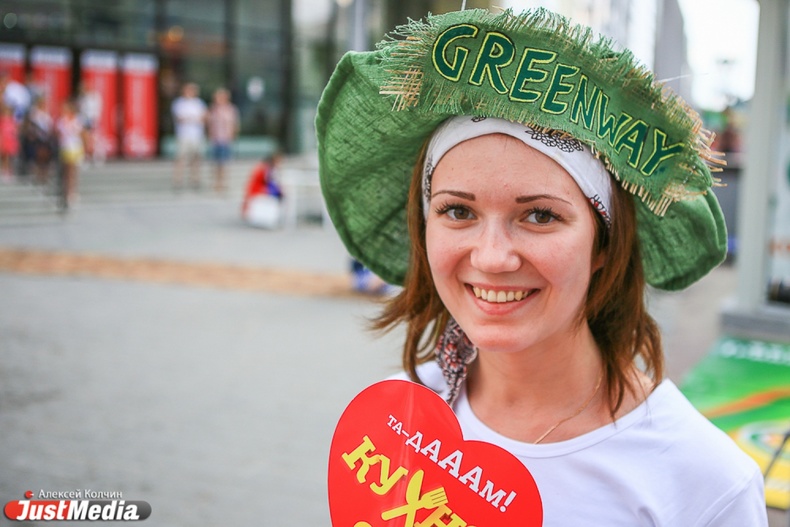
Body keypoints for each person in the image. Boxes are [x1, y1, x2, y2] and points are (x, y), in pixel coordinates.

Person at [316, 7, 767, 526]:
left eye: (540, 216)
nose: (492, 257)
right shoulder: (396, 421)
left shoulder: (705, 486)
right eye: (457, 211)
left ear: (604, 244)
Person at [171, 82, 207, 190]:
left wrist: (190, 118)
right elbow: (180, 118)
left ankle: (195, 180)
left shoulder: (199, 103)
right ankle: (178, 181)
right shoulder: (179, 103)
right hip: (184, 135)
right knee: (181, 158)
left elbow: (204, 117)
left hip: (197, 135)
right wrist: (194, 118)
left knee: (196, 158)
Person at [207, 87, 240, 193]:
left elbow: (234, 124)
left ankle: (223, 183)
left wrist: (233, 135)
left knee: (224, 162)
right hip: (216, 139)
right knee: (216, 163)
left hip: (226, 139)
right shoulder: (213, 109)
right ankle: (216, 183)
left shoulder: (231, 109)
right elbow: (209, 123)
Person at [241, 151, 283, 228]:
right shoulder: (265, 168)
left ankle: (271, 217)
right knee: (277, 196)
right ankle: (270, 218)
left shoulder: (263, 166)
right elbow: (269, 182)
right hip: (257, 190)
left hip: (257, 189)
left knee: (278, 194)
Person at [56, 100, 84, 209]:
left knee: (73, 171)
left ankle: (72, 192)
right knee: (67, 172)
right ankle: (66, 192)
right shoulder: (61, 121)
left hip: (75, 148)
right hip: (66, 148)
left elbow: (81, 134)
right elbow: (58, 134)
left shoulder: (77, 120)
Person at [0, 103, 19, 180]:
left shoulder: (12, 120)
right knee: (4, 156)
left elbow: (15, 131)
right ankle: (4, 170)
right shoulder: (2, 120)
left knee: (10, 157)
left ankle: (9, 171)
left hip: (10, 141)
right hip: (4, 140)